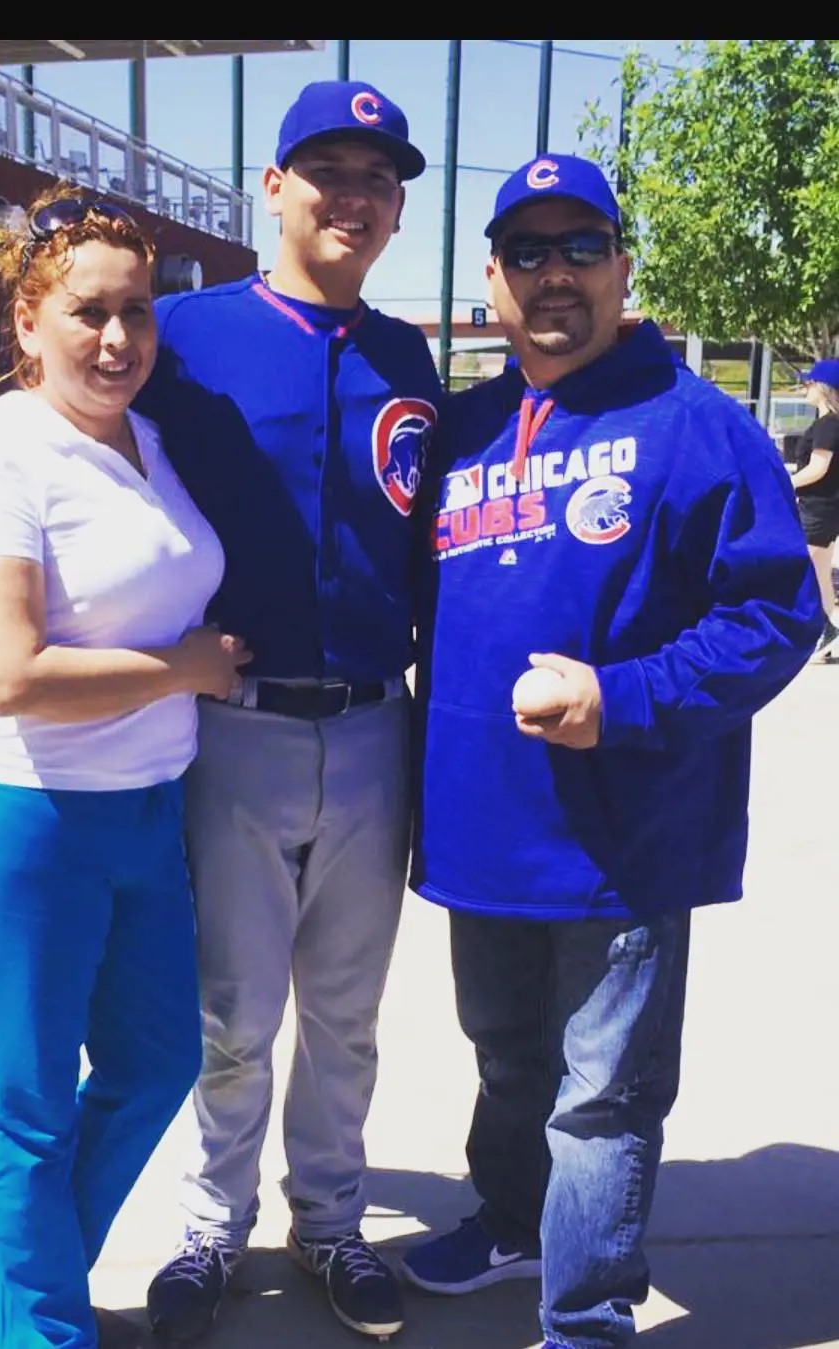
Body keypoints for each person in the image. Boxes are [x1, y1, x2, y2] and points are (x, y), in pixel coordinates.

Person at [0, 82, 443, 1343]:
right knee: (227, 1017)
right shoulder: (182, 333)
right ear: (272, 187)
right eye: (326, 168)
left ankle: (330, 1220)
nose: (352, 195)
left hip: (370, 724)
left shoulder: (408, 354)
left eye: (379, 174)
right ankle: (208, 1228)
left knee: (342, 1013)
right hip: (224, 727)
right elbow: (38, 427)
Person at [401, 154, 821, 1348]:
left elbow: (777, 615)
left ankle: (585, 1319)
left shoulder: (700, 425)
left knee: (604, 1099)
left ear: (624, 265)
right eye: (526, 252)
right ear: (491, 276)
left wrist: (622, 695)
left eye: (580, 247)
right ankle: (516, 1221)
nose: (554, 275)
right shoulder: (467, 424)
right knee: (506, 1052)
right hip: (482, 824)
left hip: (625, 833)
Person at [0, 185, 250, 1349]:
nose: (119, 338)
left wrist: (180, 673)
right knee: (26, 1106)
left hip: (142, 813)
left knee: (157, 1059)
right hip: (23, 817)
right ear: (27, 321)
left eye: (139, 312)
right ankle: (39, 1325)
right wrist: (187, 668)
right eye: (88, 311)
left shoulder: (152, 439)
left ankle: (27, 1276)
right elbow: (9, 672)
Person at [788, 358, 839, 661]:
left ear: (824, 388)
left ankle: (821, 630)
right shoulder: (828, 423)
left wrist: (785, 483)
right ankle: (826, 632)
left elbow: (818, 468)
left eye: (809, 382)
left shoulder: (827, 425)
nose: (805, 386)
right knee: (819, 572)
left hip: (819, 509)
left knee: (805, 570)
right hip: (825, 509)